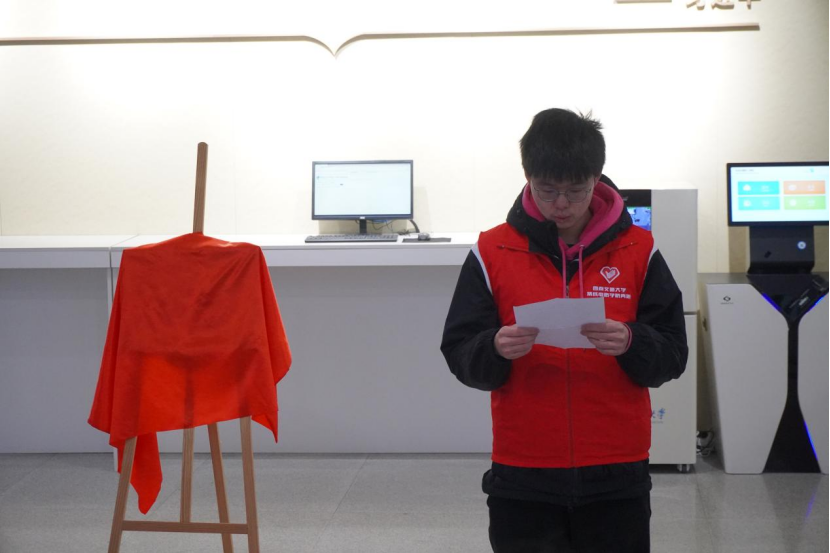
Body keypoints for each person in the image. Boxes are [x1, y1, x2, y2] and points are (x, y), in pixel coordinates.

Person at [440, 108, 688, 553]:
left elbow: (673, 354)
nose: (561, 204)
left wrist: (633, 341)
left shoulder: (639, 249)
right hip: (524, 466)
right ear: (527, 177)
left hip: (617, 466)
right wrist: (493, 347)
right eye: (547, 189)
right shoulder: (492, 250)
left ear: (596, 179)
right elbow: (459, 352)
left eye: (576, 190)